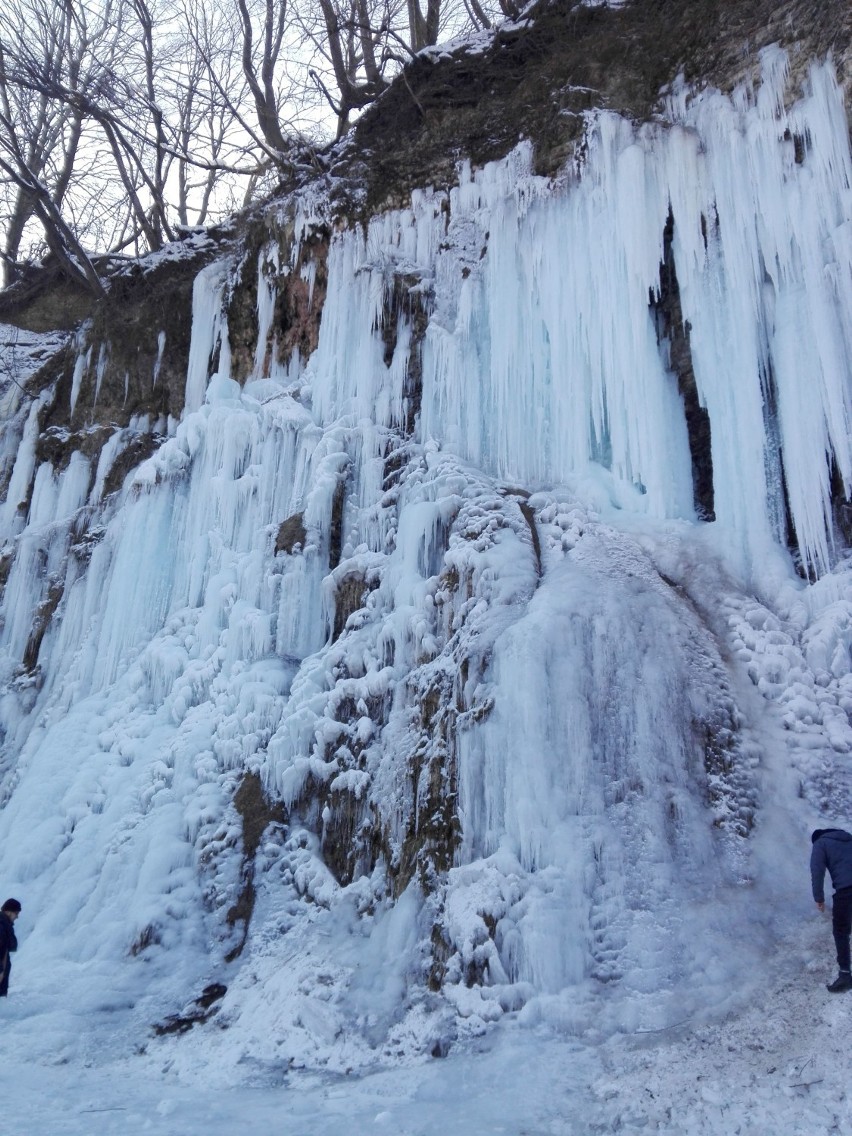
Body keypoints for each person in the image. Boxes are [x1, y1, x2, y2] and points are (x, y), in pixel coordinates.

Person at [811, 829, 852, 992]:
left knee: (841, 931)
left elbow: (817, 872)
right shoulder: (849, 838)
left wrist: (819, 898)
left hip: (846, 891)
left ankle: (845, 975)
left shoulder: (820, 844)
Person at [0, 898, 21, 997]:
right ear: (8, 912)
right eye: (16, 913)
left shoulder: (4, 925)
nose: (17, 917)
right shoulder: (1, 926)